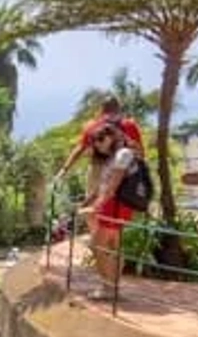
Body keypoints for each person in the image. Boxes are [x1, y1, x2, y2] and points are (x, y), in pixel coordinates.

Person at [56, 97, 145, 232]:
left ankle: (97, 238)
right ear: (119, 108)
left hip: (98, 169)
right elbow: (140, 151)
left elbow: (80, 149)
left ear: (101, 109)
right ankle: (111, 243)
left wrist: (64, 169)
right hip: (123, 171)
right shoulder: (130, 125)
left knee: (92, 207)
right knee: (119, 208)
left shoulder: (93, 125)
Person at [79, 125, 137, 299]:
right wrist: (88, 202)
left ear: (112, 136)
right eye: (96, 143)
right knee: (113, 246)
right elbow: (102, 185)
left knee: (96, 244)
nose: (98, 146)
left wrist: (96, 205)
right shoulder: (113, 157)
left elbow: (113, 185)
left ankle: (109, 288)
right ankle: (111, 287)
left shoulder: (123, 154)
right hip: (112, 205)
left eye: (100, 140)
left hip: (116, 206)